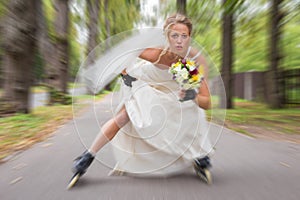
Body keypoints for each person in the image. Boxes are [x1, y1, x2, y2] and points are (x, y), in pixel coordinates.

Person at [71, 13, 213, 186]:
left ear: (190, 38)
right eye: (174, 35)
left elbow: (207, 103)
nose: (179, 41)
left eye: (184, 36)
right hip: (146, 83)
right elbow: (123, 55)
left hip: (173, 92)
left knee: (193, 109)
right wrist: (125, 75)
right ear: (167, 37)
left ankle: (199, 156)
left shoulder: (194, 62)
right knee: (123, 116)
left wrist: (193, 96)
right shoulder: (155, 53)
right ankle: (87, 157)